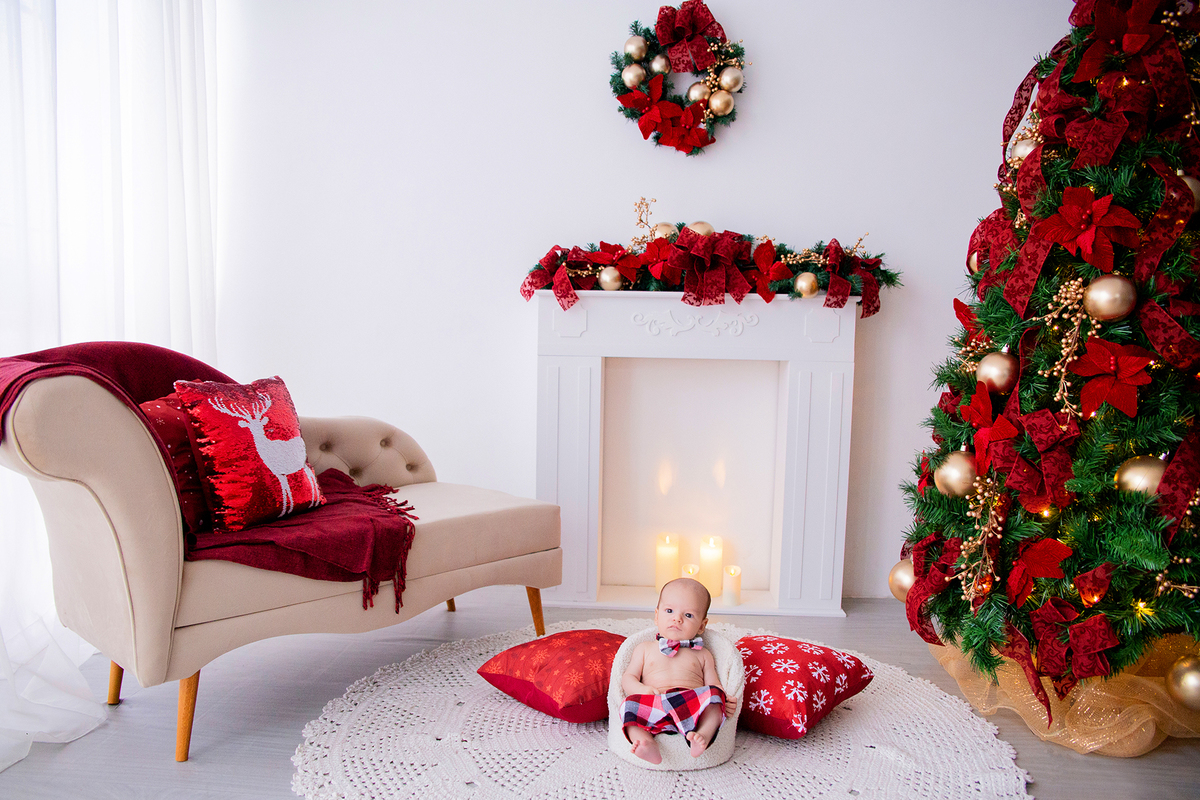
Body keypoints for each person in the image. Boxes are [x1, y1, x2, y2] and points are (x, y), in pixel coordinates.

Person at [619, 577, 738, 763]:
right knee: (627, 706)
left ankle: (703, 736)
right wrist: (641, 690)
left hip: (690, 707)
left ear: (701, 625)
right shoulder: (644, 648)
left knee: (714, 698)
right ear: (657, 616)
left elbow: (713, 683)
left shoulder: (703, 654)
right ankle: (645, 743)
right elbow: (627, 678)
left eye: (688, 615)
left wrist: (724, 699)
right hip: (655, 704)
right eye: (669, 611)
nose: (677, 618)